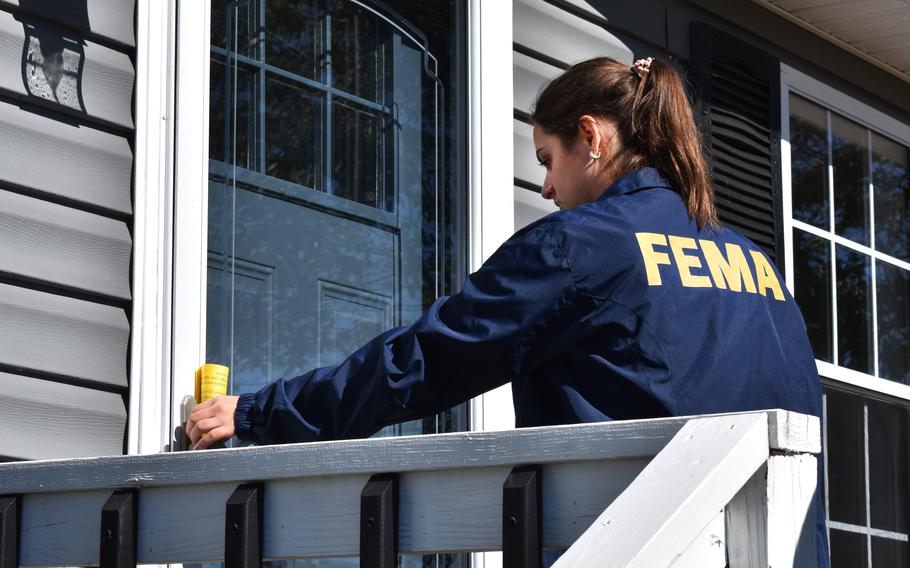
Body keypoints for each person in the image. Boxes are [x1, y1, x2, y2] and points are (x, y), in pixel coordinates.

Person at [187, 56, 828, 565]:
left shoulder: (580, 246)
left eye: (548, 159)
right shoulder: (757, 265)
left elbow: (424, 360)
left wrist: (258, 411)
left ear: (591, 137)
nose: (546, 186)